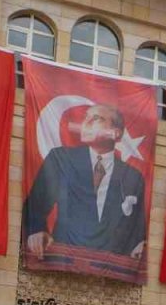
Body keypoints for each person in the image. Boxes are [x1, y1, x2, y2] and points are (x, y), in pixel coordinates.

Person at [23, 104, 148, 263]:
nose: (86, 123)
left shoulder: (133, 177)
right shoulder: (61, 159)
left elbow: (137, 230)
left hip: (109, 272)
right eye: (85, 117)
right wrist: (36, 232)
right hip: (61, 263)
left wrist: (139, 245)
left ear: (116, 133)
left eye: (96, 118)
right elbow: (34, 207)